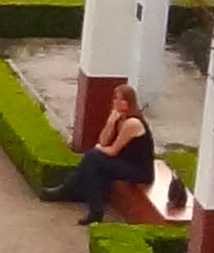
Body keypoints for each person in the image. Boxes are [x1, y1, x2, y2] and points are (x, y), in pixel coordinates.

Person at [40, 88, 156, 225]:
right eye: (115, 99)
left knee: (93, 158)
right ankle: (91, 208)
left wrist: (99, 149)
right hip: (124, 162)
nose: (117, 102)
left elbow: (112, 150)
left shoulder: (132, 123)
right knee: (94, 165)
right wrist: (110, 122)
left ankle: (67, 191)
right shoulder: (119, 119)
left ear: (130, 102)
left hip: (138, 170)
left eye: (122, 100)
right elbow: (103, 140)